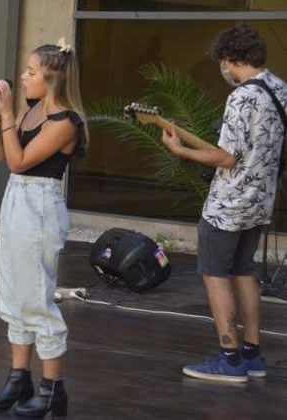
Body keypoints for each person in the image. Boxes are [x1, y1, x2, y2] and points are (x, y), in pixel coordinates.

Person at [161, 24, 285, 382]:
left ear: (231, 59)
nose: (224, 70)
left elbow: (228, 158)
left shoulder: (243, 97)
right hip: (261, 200)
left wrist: (181, 149)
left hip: (228, 203)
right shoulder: (279, 88)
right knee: (243, 270)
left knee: (215, 274)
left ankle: (229, 358)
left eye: (224, 63)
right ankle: (252, 353)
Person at [0, 38, 87, 418]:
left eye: (30, 72)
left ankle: (52, 388)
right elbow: (1, 155)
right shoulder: (30, 112)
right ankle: (18, 377)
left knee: (37, 296)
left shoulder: (65, 122)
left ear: (52, 78)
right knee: (12, 291)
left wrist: (7, 113)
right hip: (16, 200)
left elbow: (20, 160)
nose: (23, 78)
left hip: (40, 204)